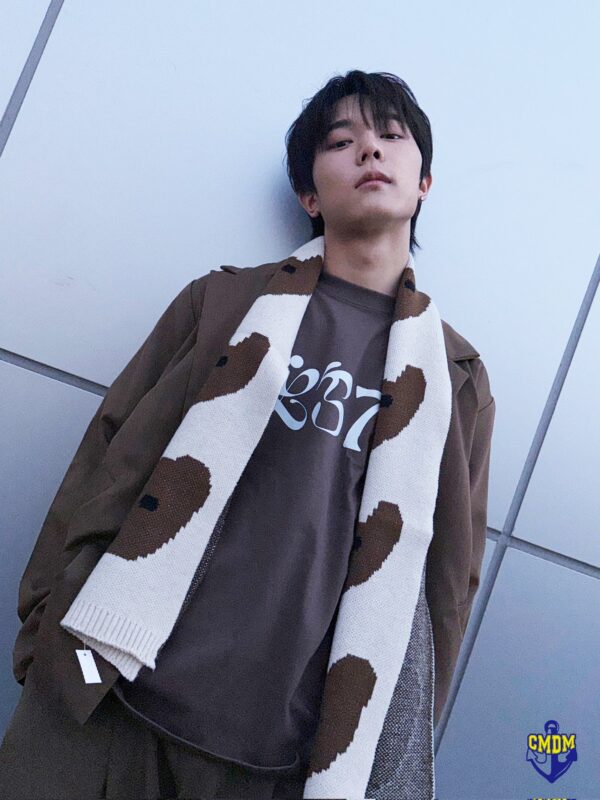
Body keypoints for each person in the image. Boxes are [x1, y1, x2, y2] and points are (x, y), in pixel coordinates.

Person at [0, 69, 495, 799]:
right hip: (111, 700)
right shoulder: (224, 302)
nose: (370, 150)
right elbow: (110, 455)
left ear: (424, 183)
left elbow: (447, 579)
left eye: (392, 136)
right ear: (308, 194)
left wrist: (386, 757)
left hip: (284, 761)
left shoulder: (455, 377)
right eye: (342, 141)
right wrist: (43, 627)